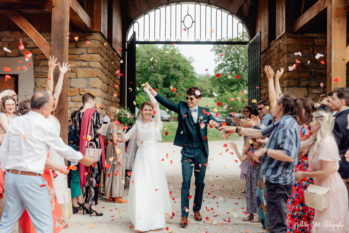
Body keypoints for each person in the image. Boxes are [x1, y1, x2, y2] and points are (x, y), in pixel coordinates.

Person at [0, 91, 94, 233]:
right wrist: (82, 158)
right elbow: (62, 148)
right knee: (45, 224)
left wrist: (6, 171)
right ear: (44, 108)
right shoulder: (44, 125)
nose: (51, 109)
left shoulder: (17, 121)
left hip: (12, 177)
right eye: (50, 106)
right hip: (30, 179)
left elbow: (4, 149)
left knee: (7, 222)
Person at [219, 94, 301, 233]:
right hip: (274, 180)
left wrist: (265, 151)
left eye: (274, 105)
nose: (271, 108)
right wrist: (237, 129)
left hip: (279, 181)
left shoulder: (287, 125)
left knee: (278, 226)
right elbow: (261, 133)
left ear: (280, 107)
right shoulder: (281, 122)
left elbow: (289, 156)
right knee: (274, 223)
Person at [147, 82, 219, 228]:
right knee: (186, 182)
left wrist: (215, 123)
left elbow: (215, 122)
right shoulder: (182, 107)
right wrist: (153, 92)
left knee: (200, 183)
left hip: (201, 152)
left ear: (198, 99)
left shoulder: (205, 112)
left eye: (191, 98)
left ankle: (197, 210)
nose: (188, 101)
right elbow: (167, 103)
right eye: (187, 98)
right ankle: (184, 215)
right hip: (187, 151)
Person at [295, 106, 349, 233]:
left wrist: (304, 174)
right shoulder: (316, 140)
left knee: (327, 227)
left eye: (312, 121)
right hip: (321, 189)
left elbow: (326, 172)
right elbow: (297, 146)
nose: (310, 123)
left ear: (319, 124)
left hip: (331, 190)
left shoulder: (327, 143)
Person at [126, 85, 171, 232]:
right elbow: (126, 137)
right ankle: (140, 220)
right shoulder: (137, 124)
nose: (148, 112)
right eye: (145, 110)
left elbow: (156, 104)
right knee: (140, 186)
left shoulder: (156, 123)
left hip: (153, 158)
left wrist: (148, 92)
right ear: (141, 112)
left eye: (150, 110)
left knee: (153, 186)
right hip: (141, 158)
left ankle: (155, 219)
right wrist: (117, 133)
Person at [73, 92, 105, 216]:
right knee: (94, 176)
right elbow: (98, 129)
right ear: (91, 101)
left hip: (83, 149)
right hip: (94, 149)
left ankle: (86, 203)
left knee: (86, 176)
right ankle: (92, 204)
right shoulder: (94, 113)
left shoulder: (77, 115)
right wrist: (103, 128)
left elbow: (76, 132)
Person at [287, 98, 315, 233]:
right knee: (304, 211)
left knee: (297, 208)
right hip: (302, 172)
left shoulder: (304, 129)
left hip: (301, 172)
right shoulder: (309, 129)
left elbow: (295, 153)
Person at [231, 139, 262, 223]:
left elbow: (255, 160)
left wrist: (247, 153)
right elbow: (242, 159)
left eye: (256, 141)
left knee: (257, 193)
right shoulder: (251, 148)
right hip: (251, 173)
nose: (254, 143)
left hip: (258, 174)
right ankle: (250, 213)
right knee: (249, 192)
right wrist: (236, 149)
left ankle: (259, 215)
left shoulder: (262, 149)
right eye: (253, 141)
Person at [104, 107, 127, 203]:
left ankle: (112, 193)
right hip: (115, 148)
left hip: (118, 147)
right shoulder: (113, 125)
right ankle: (116, 195)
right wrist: (118, 156)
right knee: (116, 169)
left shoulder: (119, 125)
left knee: (114, 170)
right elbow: (114, 140)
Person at [327, 87, 349, 179]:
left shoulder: (339, 121)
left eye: (334, 99)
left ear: (342, 102)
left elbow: (334, 146)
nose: (331, 101)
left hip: (342, 165)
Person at [68, 110, 84, 214]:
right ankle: (74, 200)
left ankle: (78, 197)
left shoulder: (78, 129)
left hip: (78, 155)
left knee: (78, 177)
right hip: (72, 156)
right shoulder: (72, 129)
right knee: (75, 177)